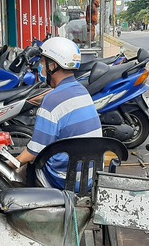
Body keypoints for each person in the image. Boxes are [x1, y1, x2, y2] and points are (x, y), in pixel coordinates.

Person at [15, 36, 102, 188]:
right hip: (88, 177)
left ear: (53, 65)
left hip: (63, 180)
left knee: (19, 173)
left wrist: (7, 165)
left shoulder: (51, 101)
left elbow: (33, 152)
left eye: (42, 62)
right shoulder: (82, 91)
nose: (40, 67)